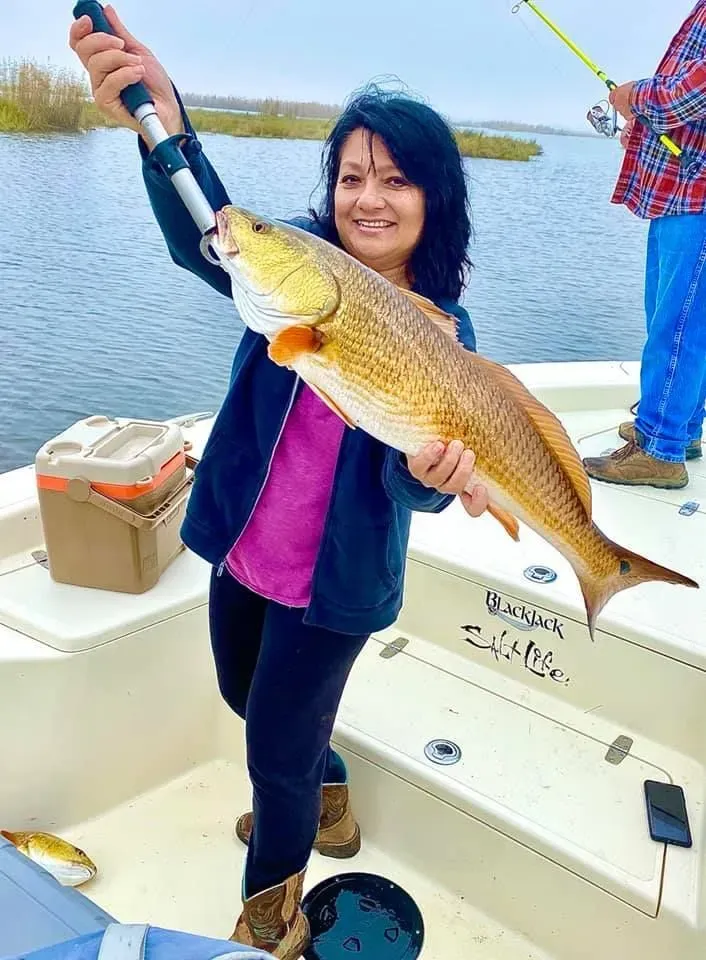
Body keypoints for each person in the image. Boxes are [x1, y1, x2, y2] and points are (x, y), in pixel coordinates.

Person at [69, 7, 488, 958]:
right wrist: (162, 124)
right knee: (238, 692)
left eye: (396, 179)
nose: (368, 197)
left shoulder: (444, 336)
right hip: (243, 552)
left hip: (331, 592)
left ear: (436, 198)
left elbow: (418, 488)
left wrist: (437, 476)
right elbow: (202, 233)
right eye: (350, 176)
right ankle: (326, 788)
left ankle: (273, 919)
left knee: (272, 758)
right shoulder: (291, 268)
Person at [582, 1, 706, 489]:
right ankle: (679, 428)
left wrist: (635, 97)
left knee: (676, 327)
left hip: (697, 198)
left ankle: (659, 451)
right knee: (676, 319)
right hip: (681, 194)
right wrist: (644, 124)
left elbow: (688, 94)